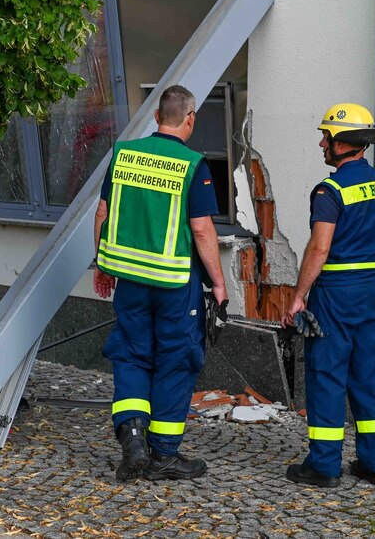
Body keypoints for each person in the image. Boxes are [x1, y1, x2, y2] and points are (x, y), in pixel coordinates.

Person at [93, 84, 228, 482]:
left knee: (132, 354)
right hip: (174, 284)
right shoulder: (192, 165)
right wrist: (219, 285)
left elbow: (103, 212)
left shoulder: (123, 155)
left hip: (130, 280)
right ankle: (163, 454)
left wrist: (102, 263)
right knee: (176, 359)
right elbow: (202, 231)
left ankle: (132, 437)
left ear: (156, 116)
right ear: (190, 119)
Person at [281, 102, 375, 488]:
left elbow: (319, 248)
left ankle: (325, 466)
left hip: (335, 295)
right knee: (367, 379)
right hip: (372, 293)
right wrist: (369, 276)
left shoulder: (329, 191)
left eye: (325, 137)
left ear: (341, 142)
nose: (321, 144)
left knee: (327, 377)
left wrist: (300, 296)